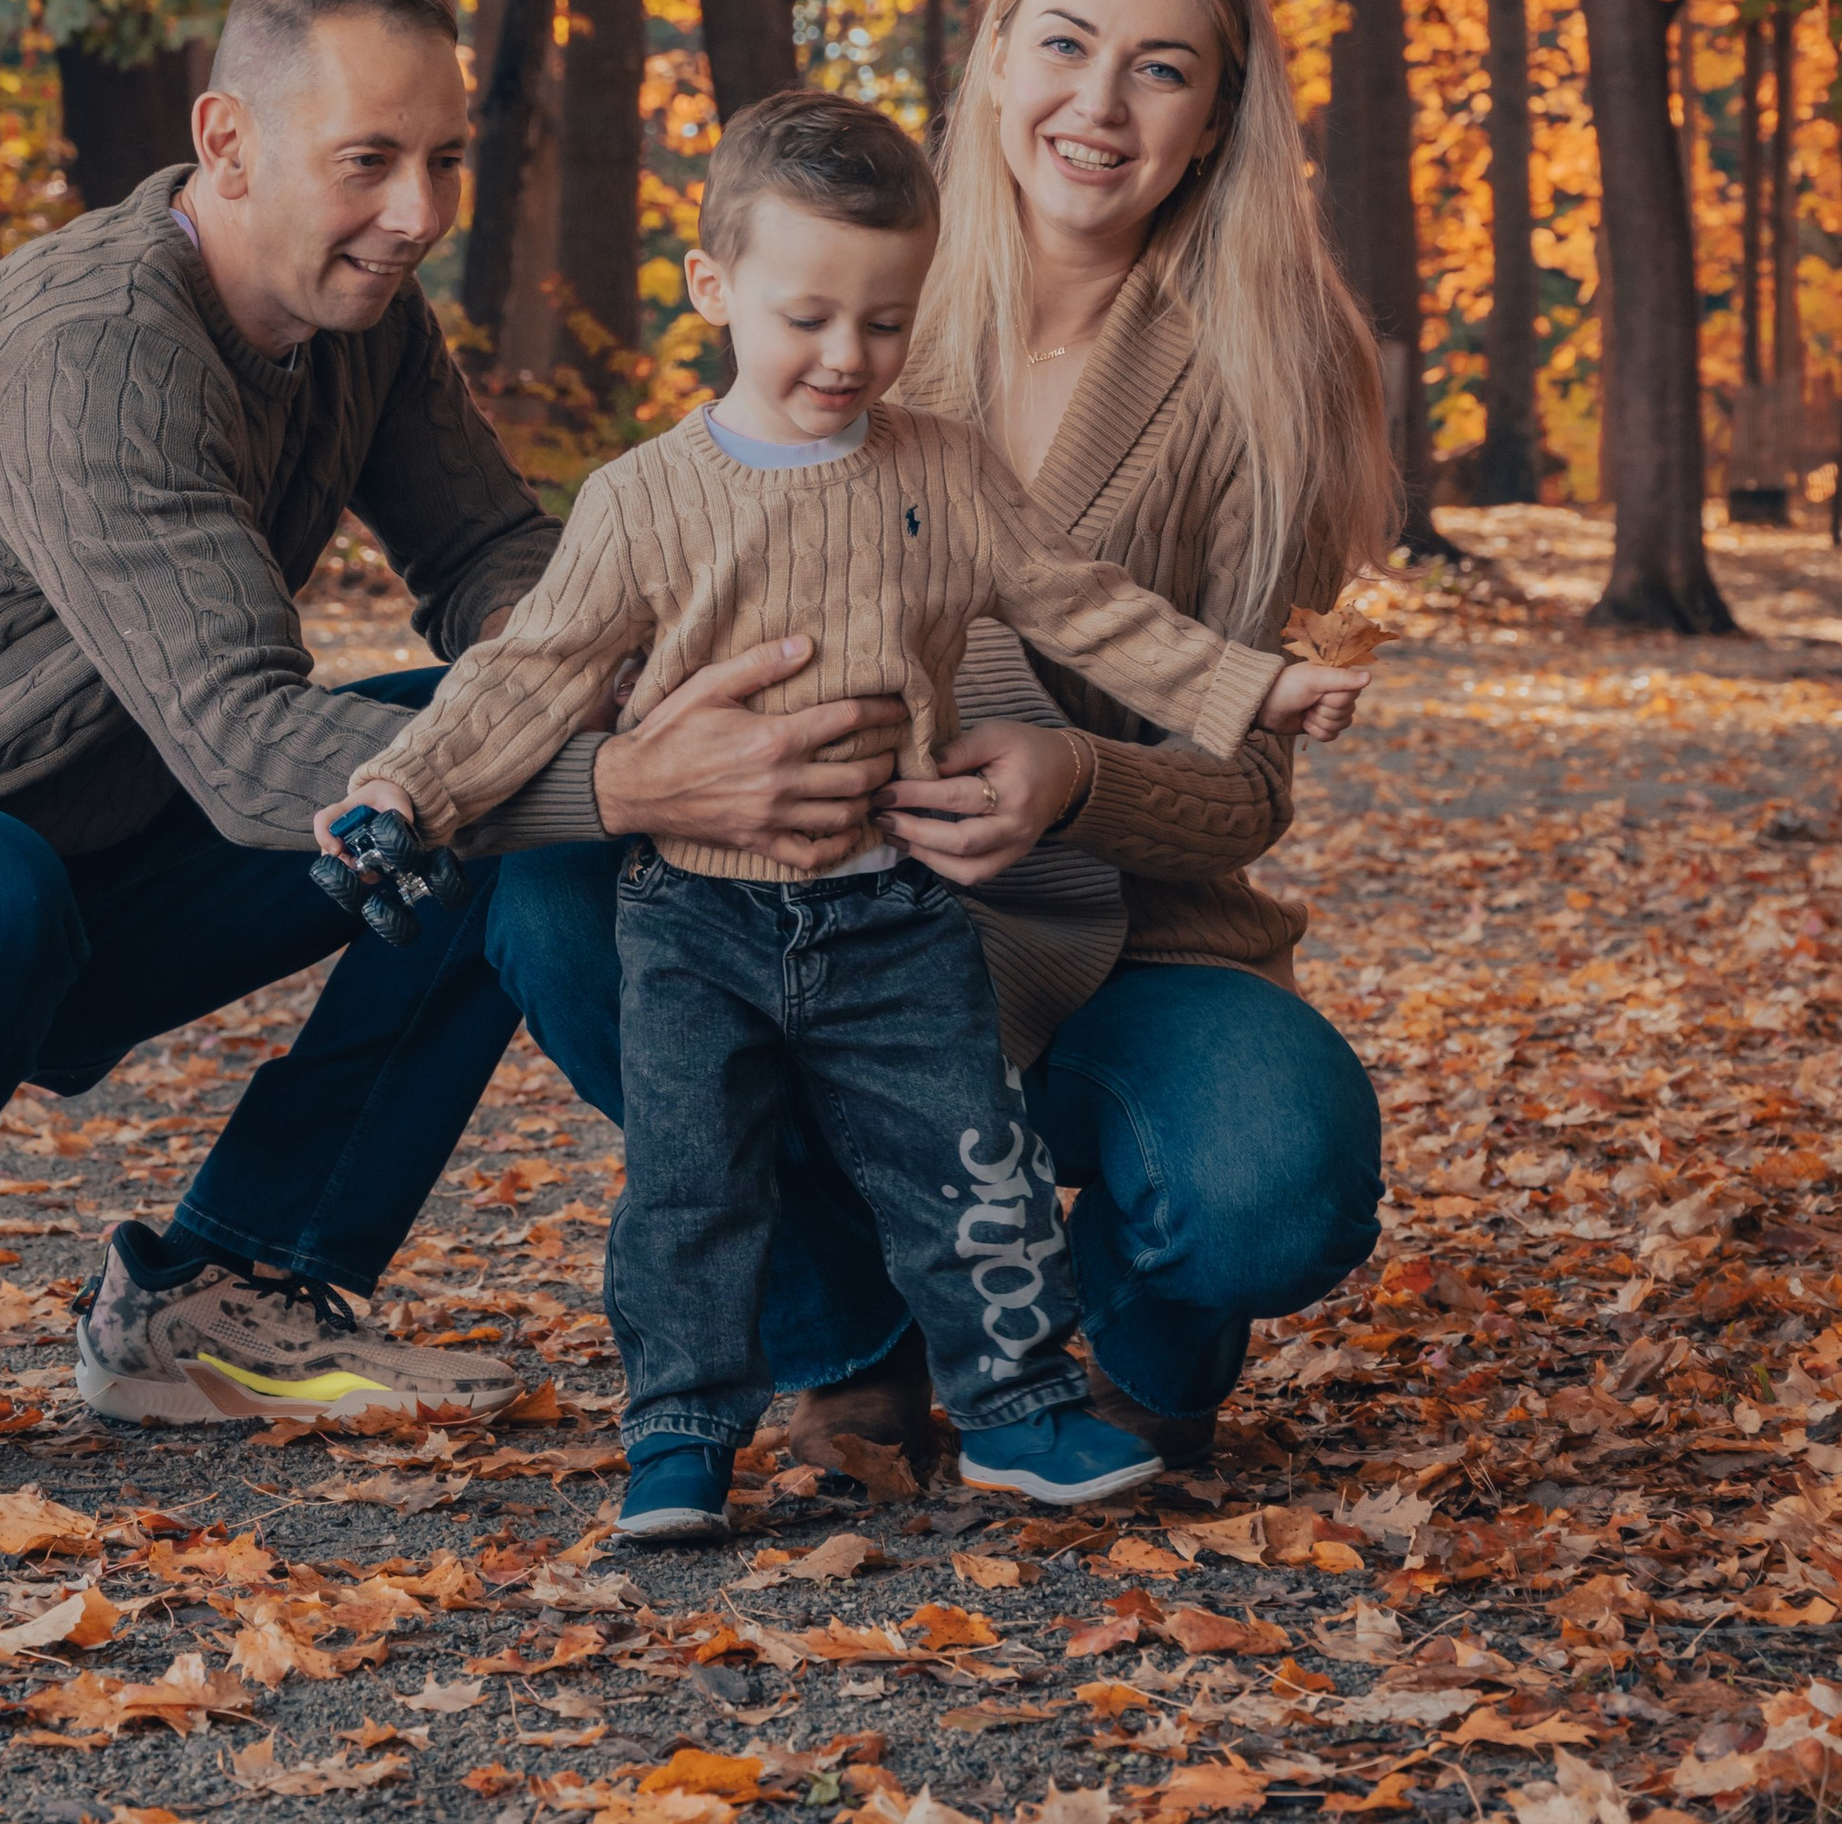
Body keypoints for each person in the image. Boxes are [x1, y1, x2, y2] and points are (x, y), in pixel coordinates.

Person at [0, 0, 907, 1493]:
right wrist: (634, 774)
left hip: (80, 861)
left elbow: (491, 555)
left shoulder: (359, 311)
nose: (418, 213)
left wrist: (624, 682)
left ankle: (230, 1291)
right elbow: (243, 744)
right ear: (227, 144)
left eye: (442, 160)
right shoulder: (95, 352)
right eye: (367, 161)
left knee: (488, 774)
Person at [321, 90, 1367, 1541]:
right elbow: (531, 672)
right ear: (716, 288)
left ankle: (1016, 1410)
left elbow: (1089, 612)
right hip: (699, 915)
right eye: (807, 316)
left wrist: (1251, 686)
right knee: (693, 1183)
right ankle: (683, 1433)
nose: (845, 357)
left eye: (883, 323)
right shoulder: (645, 499)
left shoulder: (942, 468)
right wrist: (405, 791)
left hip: (894, 913)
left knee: (969, 1160)